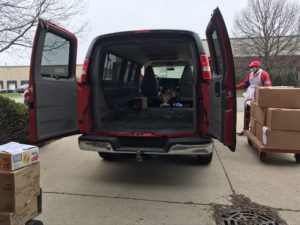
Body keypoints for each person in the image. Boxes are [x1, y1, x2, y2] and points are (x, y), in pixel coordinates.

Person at [236, 60, 272, 135]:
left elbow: (267, 85)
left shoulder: (263, 74)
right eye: (251, 67)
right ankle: (245, 128)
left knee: (257, 113)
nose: (252, 68)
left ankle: (256, 129)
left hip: (259, 95)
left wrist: (265, 96)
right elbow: (245, 83)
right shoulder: (250, 74)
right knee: (247, 112)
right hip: (249, 95)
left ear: (258, 67)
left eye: (253, 67)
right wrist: (236, 87)